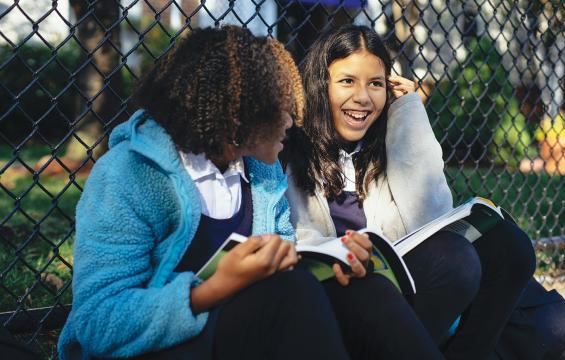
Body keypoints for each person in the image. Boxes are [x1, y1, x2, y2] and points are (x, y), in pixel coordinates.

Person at [57, 26, 350, 360]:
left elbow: (281, 261)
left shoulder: (260, 171)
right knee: (291, 293)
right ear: (236, 117)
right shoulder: (128, 174)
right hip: (152, 349)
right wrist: (211, 291)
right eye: (280, 108)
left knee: (364, 289)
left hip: (239, 328)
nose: (292, 121)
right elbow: (98, 322)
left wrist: (333, 258)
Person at [282, 24, 539, 360]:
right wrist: (341, 251)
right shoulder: (290, 146)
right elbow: (290, 235)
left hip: (398, 288)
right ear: (320, 84)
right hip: (341, 294)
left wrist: (410, 113)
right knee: (456, 262)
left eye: (375, 84)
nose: (362, 97)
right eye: (347, 81)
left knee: (512, 246)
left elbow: (428, 215)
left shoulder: (385, 140)